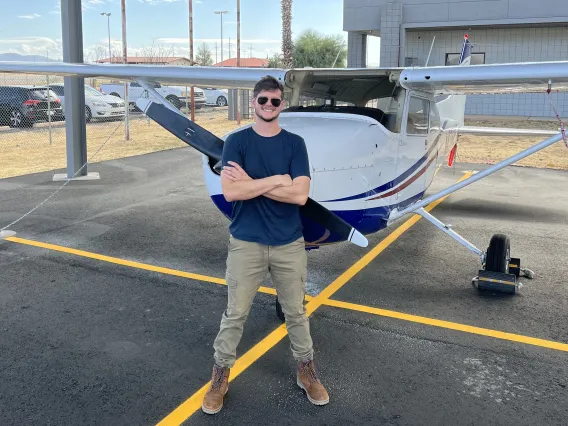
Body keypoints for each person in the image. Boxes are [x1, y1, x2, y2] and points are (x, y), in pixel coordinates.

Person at [201, 76, 329, 414]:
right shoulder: (236, 141)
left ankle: (307, 372)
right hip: (246, 243)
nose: (269, 106)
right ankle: (219, 377)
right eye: (263, 101)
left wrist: (252, 182)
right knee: (235, 314)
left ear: (282, 104)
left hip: (289, 244)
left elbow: (300, 195)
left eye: (275, 101)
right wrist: (276, 180)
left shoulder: (294, 144)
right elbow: (231, 192)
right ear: (253, 103)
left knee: (296, 313)